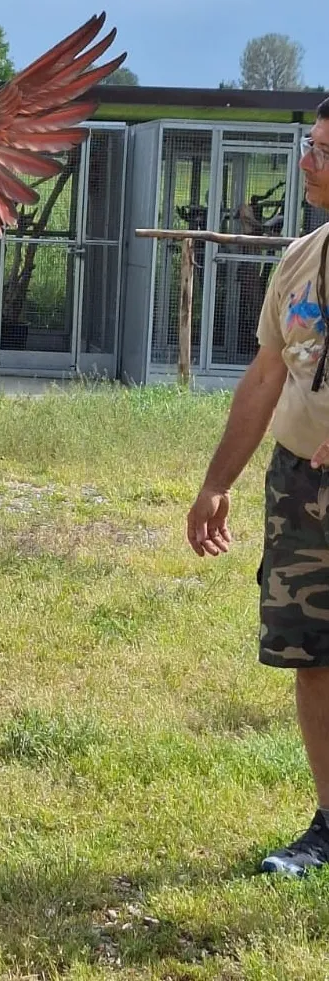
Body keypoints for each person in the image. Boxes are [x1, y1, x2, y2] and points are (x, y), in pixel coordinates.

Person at [187, 97, 329, 877]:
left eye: (325, 150)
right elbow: (266, 376)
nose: (309, 160)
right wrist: (217, 482)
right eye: (310, 144)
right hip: (299, 484)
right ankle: (328, 826)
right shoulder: (300, 257)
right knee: (312, 655)